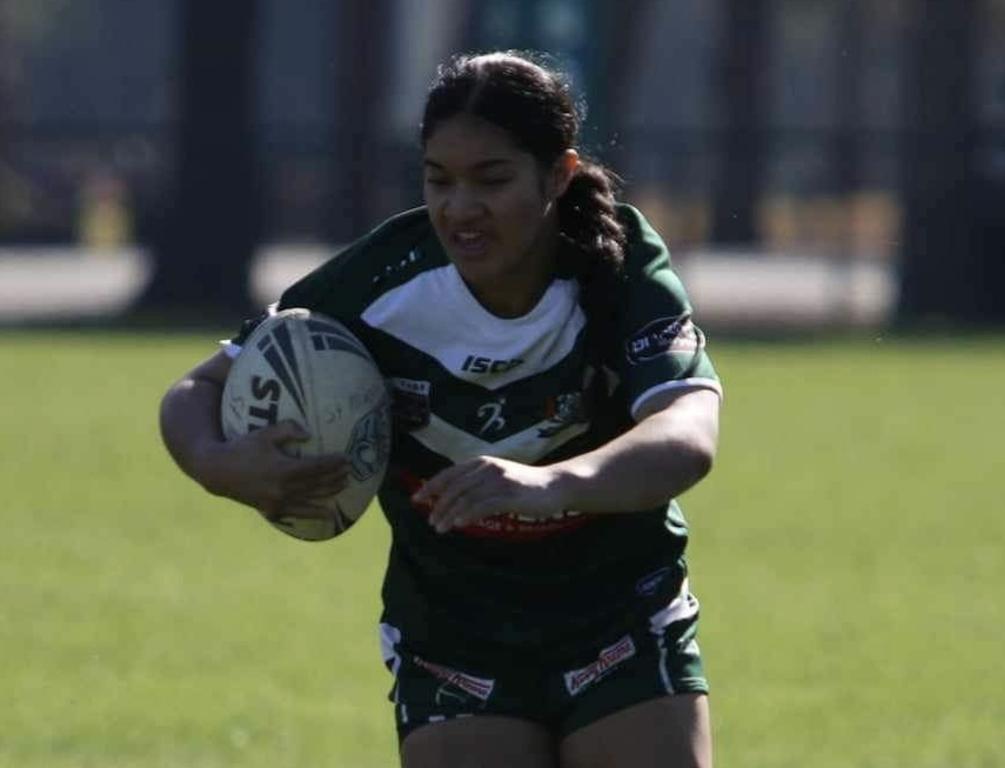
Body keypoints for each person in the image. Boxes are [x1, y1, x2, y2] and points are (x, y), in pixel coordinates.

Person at [160, 51, 722, 768]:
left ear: (558, 175)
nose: (459, 209)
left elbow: (688, 431)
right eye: (438, 180)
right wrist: (220, 465)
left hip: (620, 614)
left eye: (491, 180)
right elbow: (195, 391)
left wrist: (551, 483)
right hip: (456, 634)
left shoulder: (617, 265)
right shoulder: (378, 280)